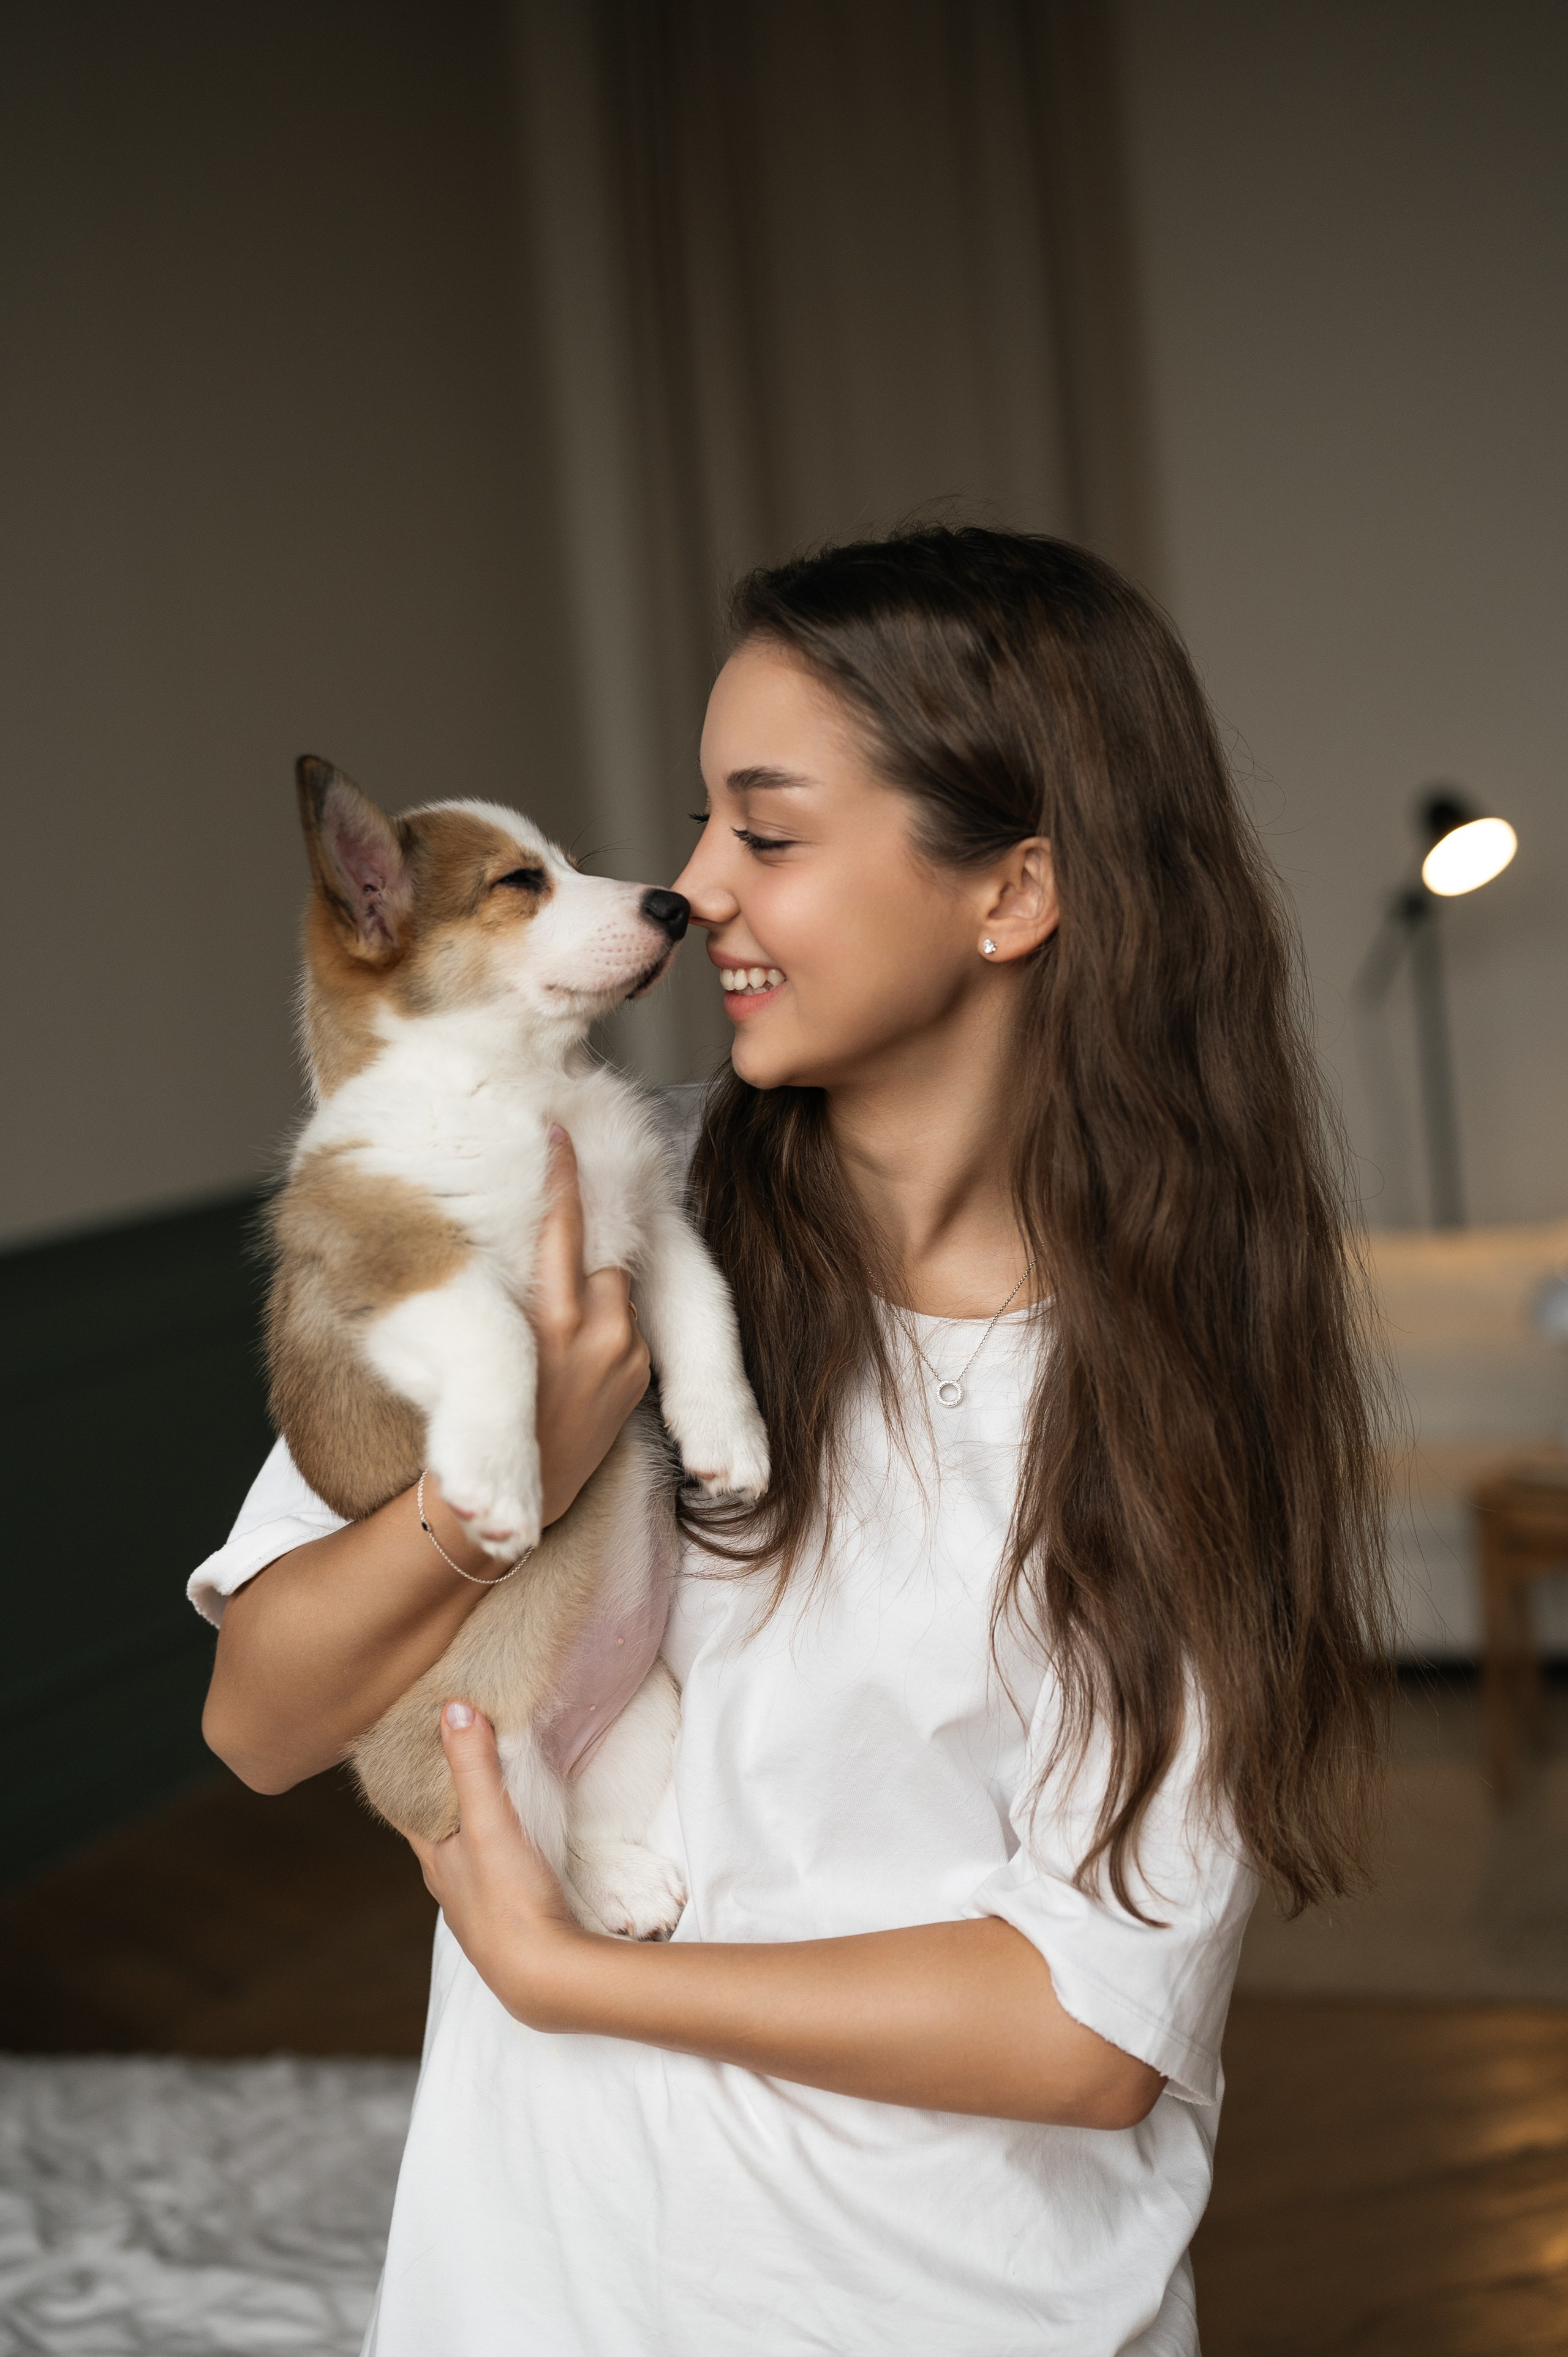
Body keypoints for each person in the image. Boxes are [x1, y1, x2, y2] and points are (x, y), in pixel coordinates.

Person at [194, 527, 1389, 2356]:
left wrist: (574, 1978)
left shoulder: (1170, 1381)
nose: (689, 890)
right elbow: (261, 1720)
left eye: (764, 833)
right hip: (537, 2292)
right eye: (698, 825)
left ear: (1014, 892)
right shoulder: (580, 1200)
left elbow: (1089, 2034)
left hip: (935, 2305)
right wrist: (493, 1494)